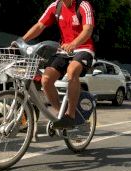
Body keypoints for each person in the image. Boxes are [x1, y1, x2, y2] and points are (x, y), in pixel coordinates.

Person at [20, 0, 95, 128]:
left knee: (72, 71)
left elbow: (88, 30)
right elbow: (39, 26)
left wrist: (74, 44)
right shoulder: (56, 6)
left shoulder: (83, 5)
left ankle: (70, 116)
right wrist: (22, 40)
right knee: (46, 80)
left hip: (83, 49)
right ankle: (62, 114)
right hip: (64, 50)